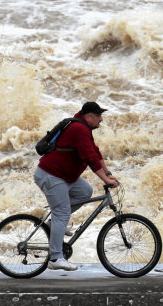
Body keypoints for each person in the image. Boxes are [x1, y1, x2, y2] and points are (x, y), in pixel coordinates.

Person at [33, 101, 118, 271]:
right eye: (99, 116)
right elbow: (90, 158)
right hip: (51, 175)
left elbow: (96, 152)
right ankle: (55, 258)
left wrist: (108, 174)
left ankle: (52, 224)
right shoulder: (79, 129)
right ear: (89, 116)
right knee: (62, 213)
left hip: (63, 176)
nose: (101, 119)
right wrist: (106, 181)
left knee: (85, 191)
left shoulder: (83, 128)